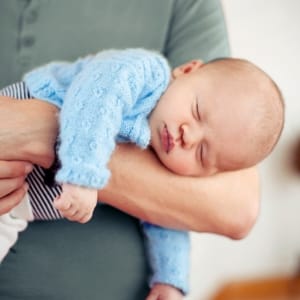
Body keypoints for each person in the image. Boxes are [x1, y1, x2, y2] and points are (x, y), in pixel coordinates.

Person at [0, 1, 262, 299]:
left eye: (202, 153)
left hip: (20, 204)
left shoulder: (165, 149)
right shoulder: (144, 73)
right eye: (197, 111)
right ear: (187, 70)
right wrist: (83, 175)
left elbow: (169, 220)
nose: (188, 136)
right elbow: (96, 98)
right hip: (26, 115)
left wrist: (170, 280)